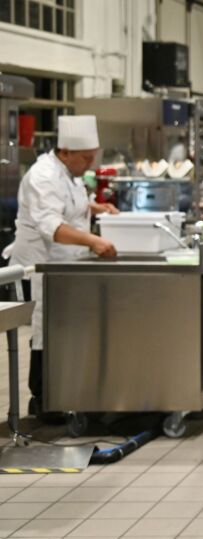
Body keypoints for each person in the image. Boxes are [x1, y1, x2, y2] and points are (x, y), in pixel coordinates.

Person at [8, 115, 118, 417]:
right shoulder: (43, 176)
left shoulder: (70, 173)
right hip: (41, 266)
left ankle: (65, 392)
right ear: (66, 152)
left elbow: (70, 204)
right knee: (46, 329)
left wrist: (96, 207)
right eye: (86, 158)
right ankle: (44, 401)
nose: (89, 164)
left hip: (65, 263)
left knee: (63, 328)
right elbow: (52, 226)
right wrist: (93, 242)